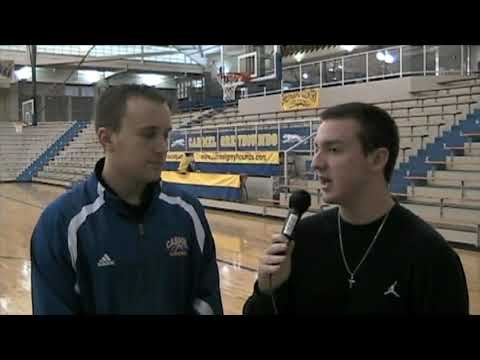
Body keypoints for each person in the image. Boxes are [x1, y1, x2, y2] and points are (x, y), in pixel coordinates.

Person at [243, 102, 469, 315]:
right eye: (316, 149)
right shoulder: (301, 240)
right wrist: (266, 290)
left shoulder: (433, 259)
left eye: (333, 150)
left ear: (377, 159)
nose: (316, 163)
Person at [31, 84, 223, 315]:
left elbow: (207, 302)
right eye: (148, 134)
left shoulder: (188, 212)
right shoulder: (60, 225)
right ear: (107, 138)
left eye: (166, 134)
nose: (163, 147)